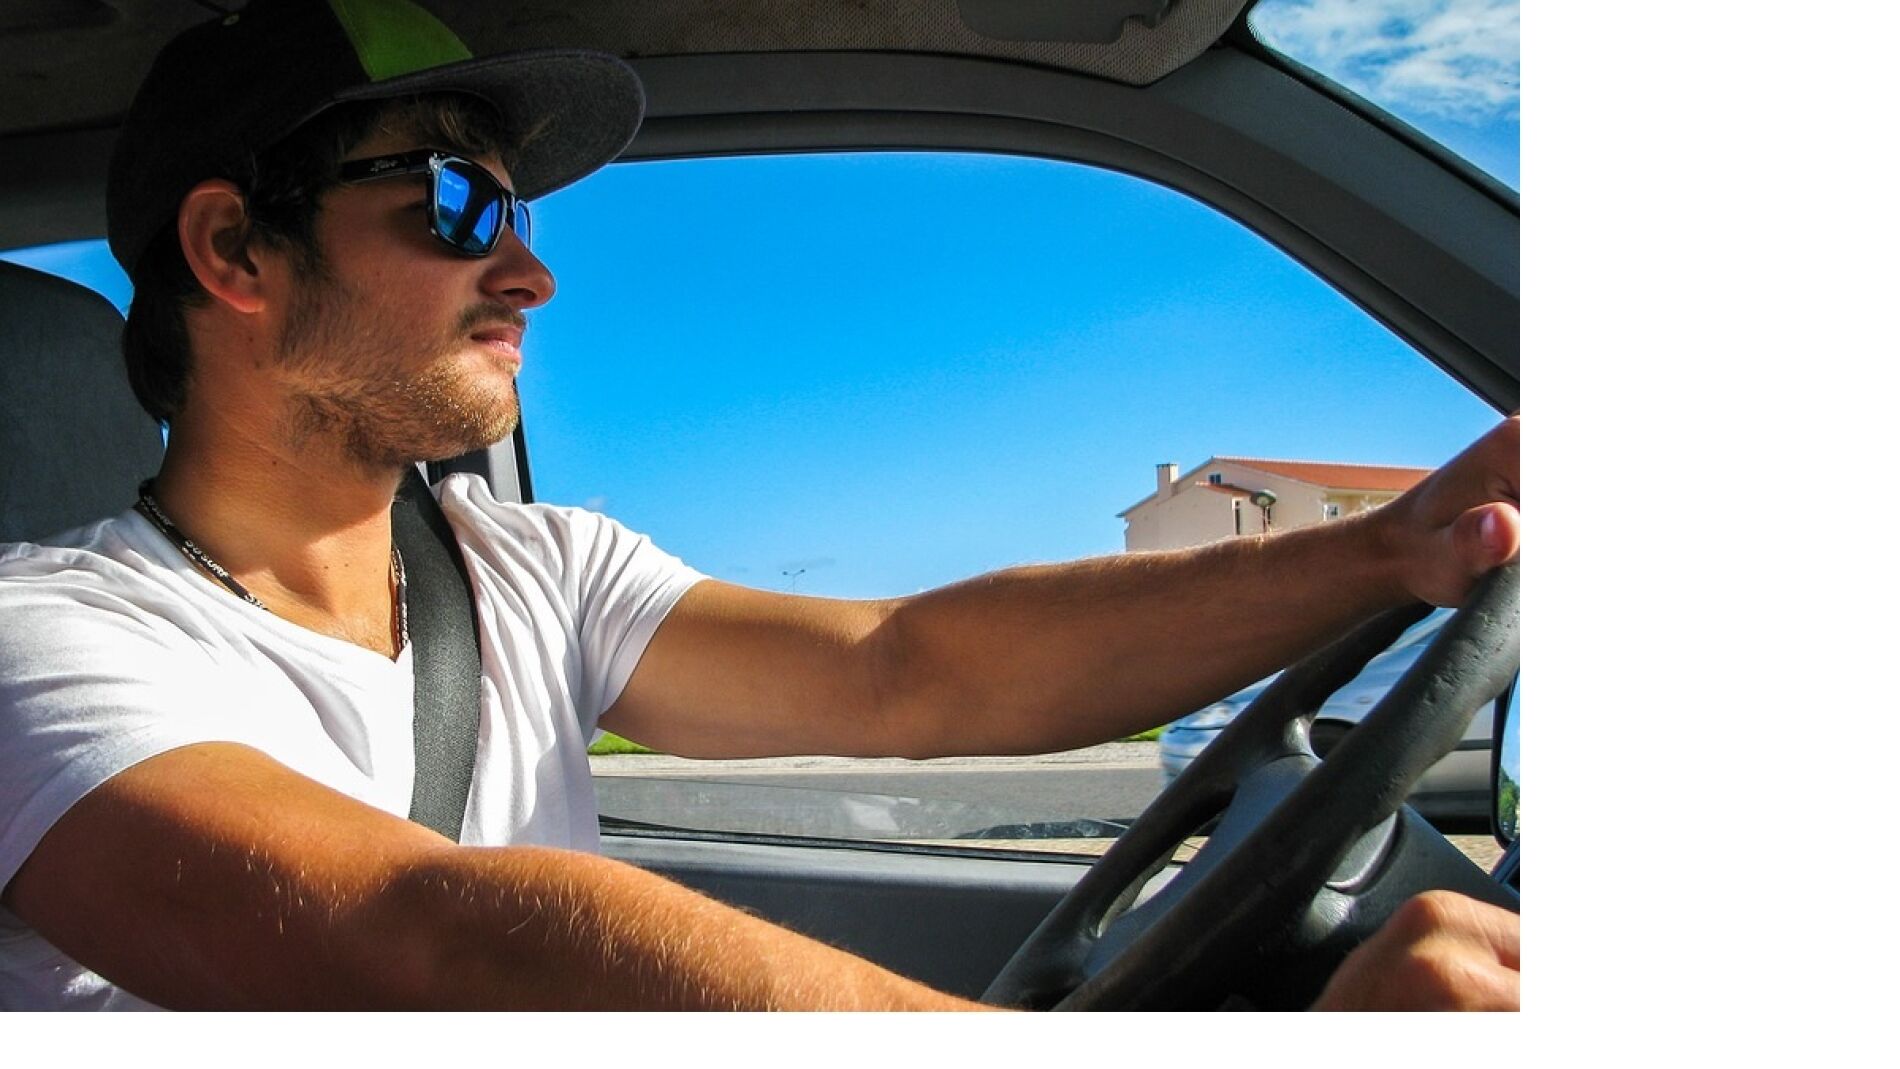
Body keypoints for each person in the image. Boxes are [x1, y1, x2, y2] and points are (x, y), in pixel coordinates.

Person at [0, 0, 1521, 1011]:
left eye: (518, 210)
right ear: (235, 252)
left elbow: (905, 662)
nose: (530, 268)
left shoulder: (530, 566)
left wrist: (1402, 545)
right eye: (458, 203)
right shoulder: (40, 642)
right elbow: (428, 931)